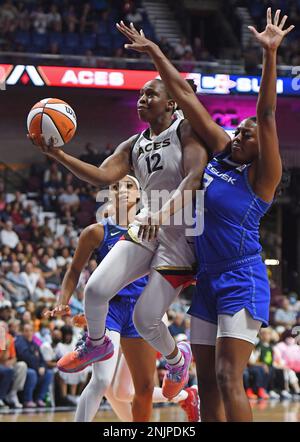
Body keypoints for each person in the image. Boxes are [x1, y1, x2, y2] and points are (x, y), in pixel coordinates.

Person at [116, 8, 294, 421]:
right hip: (209, 277)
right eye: (238, 131)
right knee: (208, 381)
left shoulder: (262, 177)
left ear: (259, 149)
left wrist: (269, 54)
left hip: (242, 276)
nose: (239, 135)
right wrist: (155, 52)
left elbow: (265, 115)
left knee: (230, 376)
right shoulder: (219, 154)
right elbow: (186, 97)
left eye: (246, 135)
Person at [29, 75, 208, 401]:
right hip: (147, 224)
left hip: (181, 232)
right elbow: (101, 175)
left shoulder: (186, 130)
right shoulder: (133, 144)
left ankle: (177, 359)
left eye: (149, 94)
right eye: (139, 94)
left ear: (171, 103)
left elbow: (195, 177)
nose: (141, 99)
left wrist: (162, 213)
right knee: (96, 290)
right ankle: (97, 344)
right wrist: (59, 155)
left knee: (145, 320)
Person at [46, 176, 200, 422]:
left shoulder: (155, 229)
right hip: (112, 310)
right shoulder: (96, 231)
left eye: (129, 185)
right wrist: (62, 300)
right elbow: (74, 270)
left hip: (144, 309)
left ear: (140, 195)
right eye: (115, 186)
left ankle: (185, 396)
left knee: (129, 390)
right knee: (102, 381)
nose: (121, 190)